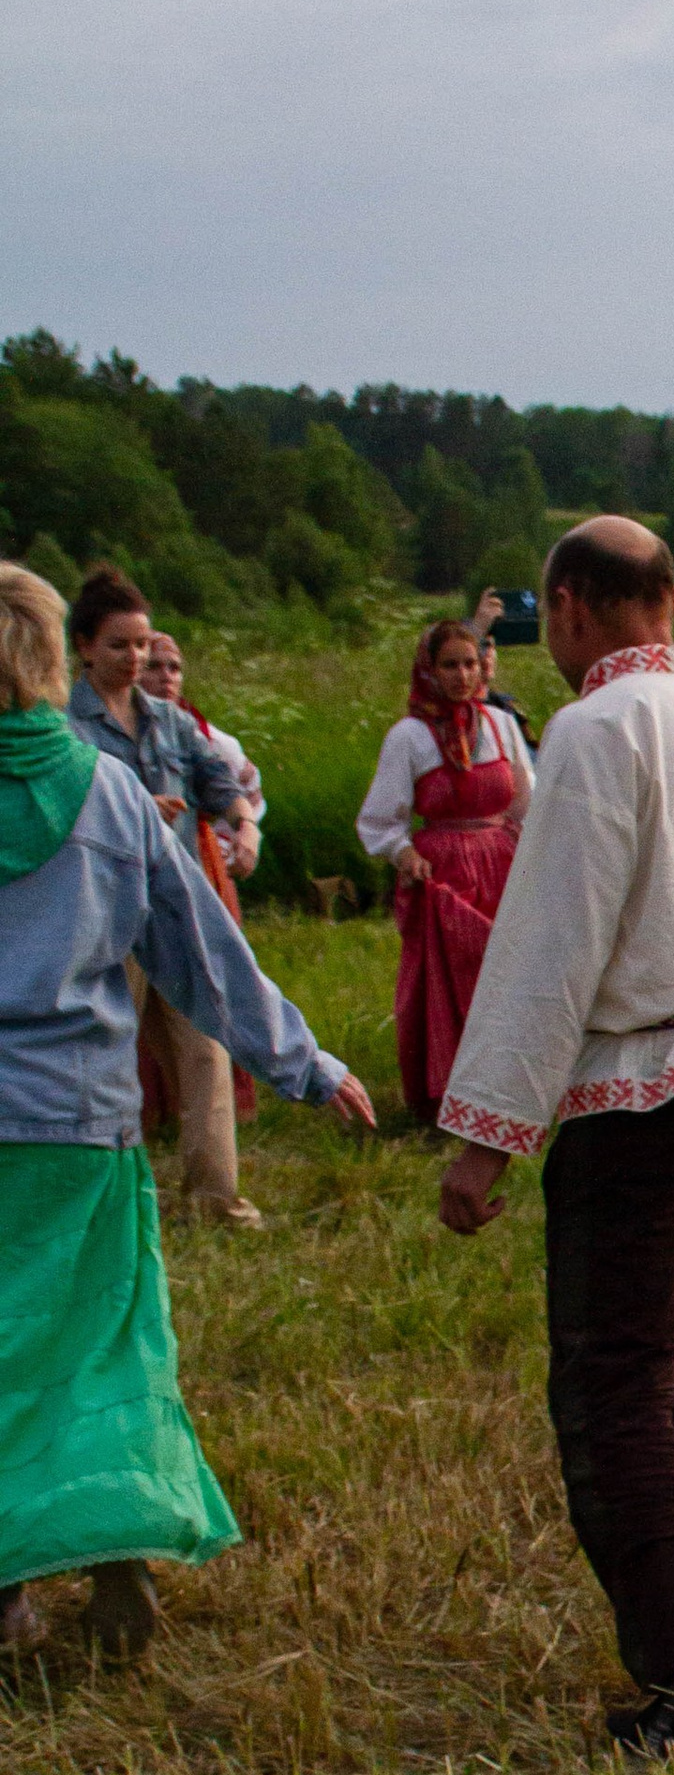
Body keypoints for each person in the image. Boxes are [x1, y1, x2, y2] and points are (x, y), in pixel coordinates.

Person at [436, 519, 674, 1750]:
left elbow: (550, 943)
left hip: (638, 1103)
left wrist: (486, 1138)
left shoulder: (595, 731)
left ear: (574, 608)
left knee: (620, 1390)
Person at [0, 563, 373, 1664]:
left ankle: (9, 1591)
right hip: (82, 1123)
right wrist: (304, 1062)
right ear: (53, 656)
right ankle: (116, 1569)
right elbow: (202, 952)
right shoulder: (110, 793)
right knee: (101, 1349)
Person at [66, 565, 262, 1223]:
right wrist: (132, 808)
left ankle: (215, 1200)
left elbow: (218, 780)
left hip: (175, 909)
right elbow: (63, 815)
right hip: (105, 917)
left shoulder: (170, 721)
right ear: (85, 647)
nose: (135, 658)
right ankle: (116, 1204)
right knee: (108, 1060)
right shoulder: (64, 726)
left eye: (143, 645)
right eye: (119, 645)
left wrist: (243, 822)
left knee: (207, 1047)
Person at [358, 620, 534, 1120]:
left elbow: (525, 798)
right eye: (449, 664)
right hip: (445, 874)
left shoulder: (500, 725)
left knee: (508, 972)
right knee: (454, 981)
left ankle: (508, 1093)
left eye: (470, 664)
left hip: (501, 862)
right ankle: (454, 1095)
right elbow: (379, 819)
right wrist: (404, 854)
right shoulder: (410, 735)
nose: (461, 675)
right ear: (429, 670)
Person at [139, 626, 265, 885]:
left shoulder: (205, 737)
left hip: (193, 853)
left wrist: (234, 835)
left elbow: (241, 786)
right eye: (153, 667)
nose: (167, 677)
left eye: (174, 668)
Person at [468, 588, 540, 751]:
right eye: (480, 646)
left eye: (490, 647)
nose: (485, 655)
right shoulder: (450, 715)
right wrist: (476, 631)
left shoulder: (505, 708)